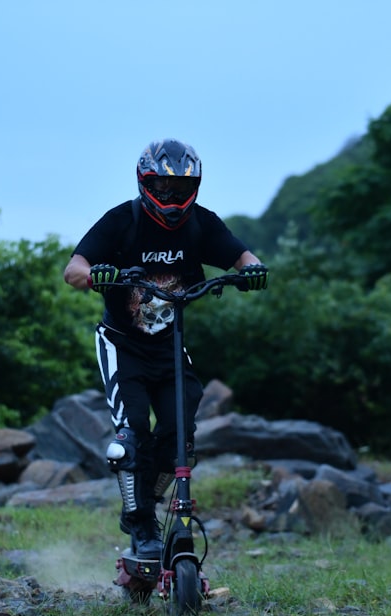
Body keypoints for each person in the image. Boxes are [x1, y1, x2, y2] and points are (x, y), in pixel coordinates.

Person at [63, 138, 267, 560]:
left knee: (181, 436)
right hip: (122, 346)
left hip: (169, 346)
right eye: (162, 188)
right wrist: (98, 274)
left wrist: (252, 271)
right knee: (131, 432)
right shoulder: (122, 220)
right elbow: (73, 269)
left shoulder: (202, 224)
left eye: (180, 189)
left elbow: (242, 256)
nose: (171, 198)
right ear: (144, 183)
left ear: (195, 187)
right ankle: (138, 521)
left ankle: (149, 505)